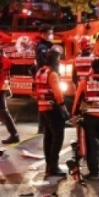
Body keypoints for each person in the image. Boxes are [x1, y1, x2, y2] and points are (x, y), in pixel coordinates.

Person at [34, 46, 68, 177]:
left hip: (42, 108)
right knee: (58, 137)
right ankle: (54, 166)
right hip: (53, 108)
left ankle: (49, 164)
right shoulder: (52, 74)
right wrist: (64, 108)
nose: (59, 61)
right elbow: (58, 93)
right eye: (58, 59)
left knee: (48, 136)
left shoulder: (40, 72)